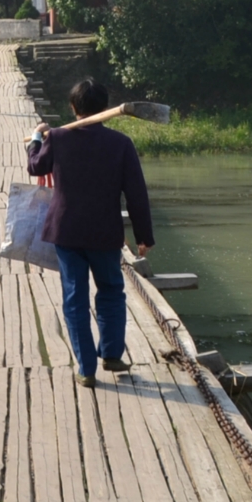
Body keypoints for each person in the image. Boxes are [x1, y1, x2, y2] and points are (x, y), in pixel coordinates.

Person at [26, 78, 155, 388]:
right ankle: (111, 353)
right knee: (111, 289)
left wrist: (35, 139)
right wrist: (143, 235)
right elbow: (136, 193)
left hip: (67, 232)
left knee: (75, 297)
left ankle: (86, 368)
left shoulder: (57, 138)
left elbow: (35, 167)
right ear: (104, 108)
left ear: (74, 108)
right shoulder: (121, 144)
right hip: (104, 231)